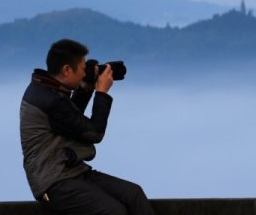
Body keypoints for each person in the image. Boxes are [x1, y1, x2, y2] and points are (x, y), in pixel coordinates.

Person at [20, 38, 155, 215]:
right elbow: (94, 133)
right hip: (53, 183)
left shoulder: (47, 89)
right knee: (113, 212)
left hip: (72, 172)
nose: (85, 74)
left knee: (133, 194)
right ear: (67, 70)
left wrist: (84, 88)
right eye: (83, 69)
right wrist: (101, 93)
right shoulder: (48, 99)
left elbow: (70, 120)